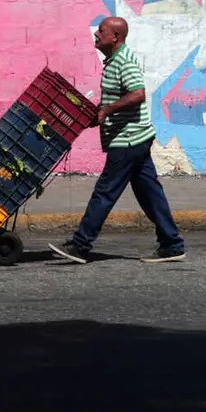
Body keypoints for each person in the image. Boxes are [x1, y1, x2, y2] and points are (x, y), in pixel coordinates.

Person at [49, 16, 186, 264]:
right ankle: (172, 244)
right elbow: (120, 96)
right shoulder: (113, 61)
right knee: (150, 194)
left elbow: (138, 94)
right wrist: (98, 112)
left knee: (105, 192)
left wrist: (107, 110)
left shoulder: (124, 61)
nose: (96, 35)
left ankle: (80, 245)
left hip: (128, 139)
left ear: (115, 37)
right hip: (135, 138)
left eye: (101, 31)